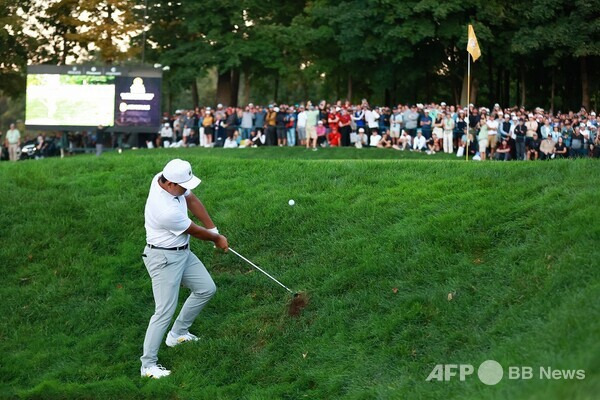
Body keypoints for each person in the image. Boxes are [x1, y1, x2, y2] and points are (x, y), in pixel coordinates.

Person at [140, 159, 229, 379]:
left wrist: (214, 228)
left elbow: (191, 199)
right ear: (170, 184)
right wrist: (217, 239)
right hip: (163, 258)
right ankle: (148, 366)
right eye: (182, 185)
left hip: (182, 252)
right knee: (163, 312)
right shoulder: (165, 210)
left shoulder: (162, 177)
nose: (186, 188)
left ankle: (177, 333)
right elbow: (194, 231)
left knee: (206, 288)